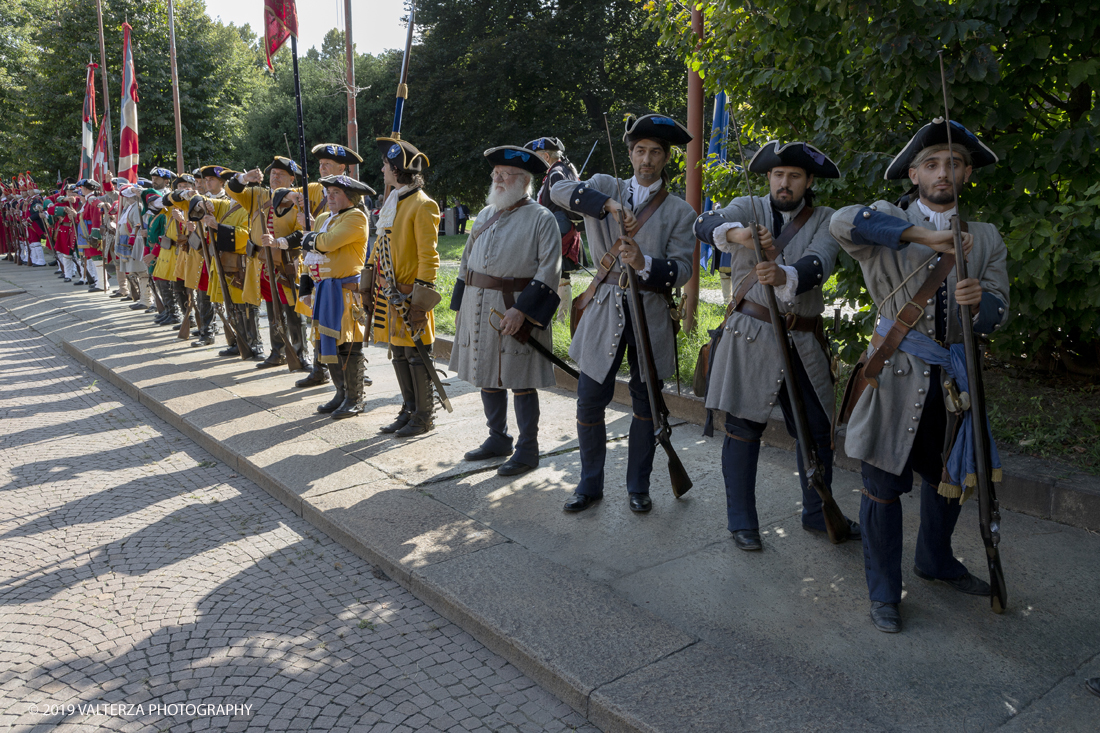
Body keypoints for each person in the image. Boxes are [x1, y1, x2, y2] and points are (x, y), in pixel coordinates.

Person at [829, 118, 1010, 633]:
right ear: (914, 172)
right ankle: (884, 591)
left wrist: (982, 306)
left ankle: (935, 560)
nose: (942, 172)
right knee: (882, 484)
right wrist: (923, 236)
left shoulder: (988, 237)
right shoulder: (886, 219)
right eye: (931, 164)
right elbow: (842, 222)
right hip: (894, 372)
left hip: (955, 378)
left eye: (953, 163)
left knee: (948, 476)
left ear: (968, 172)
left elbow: (1002, 308)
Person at [693, 141, 860, 551]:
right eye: (779, 175)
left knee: (818, 432)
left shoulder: (825, 219)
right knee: (743, 429)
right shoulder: (745, 204)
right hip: (750, 336)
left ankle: (818, 514)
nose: (785, 183)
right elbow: (704, 222)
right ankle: (742, 523)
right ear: (768, 177)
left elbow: (818, 264)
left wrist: (782, 272)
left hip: (803, 337)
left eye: (795, 176)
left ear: (809, 181)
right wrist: (740, 233)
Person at [550, 113, 695, 514]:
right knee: (589, 400)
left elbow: (683, 267)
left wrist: (645, 262)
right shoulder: (602, 185)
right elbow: (558, 189)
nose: (646, 159)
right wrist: (608, 204)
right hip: (604, 306)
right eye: (640, 151)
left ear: (666, 159)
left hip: (650, 311)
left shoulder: (681, 211)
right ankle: (589, 484)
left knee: (646, 404)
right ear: (630, 153)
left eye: (655, 153)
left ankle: (638, 487)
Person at [449, 146, 561, 476]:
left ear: (522, 180)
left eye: (503, 175)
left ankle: (528, 449)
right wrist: (459, 308)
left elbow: (549, 271)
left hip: (514, 308)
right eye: (495, 174)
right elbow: (465, 263)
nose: (496, 180)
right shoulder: (484, 215)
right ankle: (498, 438)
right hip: (478, 307)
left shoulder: (542, 218)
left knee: (520, 379)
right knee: (488, 375)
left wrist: (522, 312)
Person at [369, 137, 442, 437]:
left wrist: (420, 304)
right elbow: (381, 246)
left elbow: (429, 257)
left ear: (397, 170)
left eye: (386, 164)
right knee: (399, 353)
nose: (383, 168)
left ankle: (424, 416)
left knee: (417, 354)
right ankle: (410, 408)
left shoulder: (423, 205)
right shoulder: (394, 201)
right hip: (390, 291)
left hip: (411, 294)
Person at [283, 174, 372, 418]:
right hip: (322, 290)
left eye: (335, 193)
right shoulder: (322, 218)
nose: (329, 197)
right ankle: (340, 393)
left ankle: (355, 398)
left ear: (349, 197)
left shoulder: (356, 217)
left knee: (348, 346)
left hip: (344, 293)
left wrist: (307, 237)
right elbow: (308, 255)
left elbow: (328, 243)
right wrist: (305, 288)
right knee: (326, 345)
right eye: (328, 193)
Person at [525, 136, 582, 323]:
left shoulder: (556, 173)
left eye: (537, 157)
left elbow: (564, 202)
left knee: (560, 273)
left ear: (546, 157)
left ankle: (561, 318)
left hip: (559, 227)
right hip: (561, 225)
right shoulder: (560, 170)